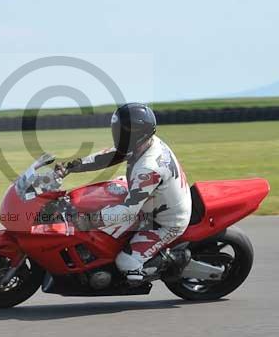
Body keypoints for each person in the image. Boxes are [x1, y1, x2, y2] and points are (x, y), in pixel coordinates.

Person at [57, 103, 192, 281]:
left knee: (126, 262)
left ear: (136, 134)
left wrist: (85, 222)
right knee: (98, 196)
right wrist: (70, 167)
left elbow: (127, 212)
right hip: (150, 200)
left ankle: (174, 260)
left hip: (164, 220)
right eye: (117, 130)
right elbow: (108, 156)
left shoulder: (149, 168)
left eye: (122, 132)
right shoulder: (144, 143)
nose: (117, 135)